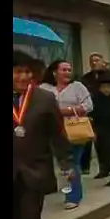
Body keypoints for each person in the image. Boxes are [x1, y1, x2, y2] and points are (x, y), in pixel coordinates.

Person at [13, 50, 74, 219]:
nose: (23, 76)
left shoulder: (45, 99)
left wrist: (67, 163)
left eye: (27, 72)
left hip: (34, 170)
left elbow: (58, 135)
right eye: (18, 72)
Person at [39, 59, 93, 210]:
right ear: (55, 72)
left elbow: (88, 106)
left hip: (75, 130)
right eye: (64, 70)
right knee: (61, 165)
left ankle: (73, 196)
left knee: (72, 163)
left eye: (69, 69)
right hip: (52, 132)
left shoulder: (77, 87)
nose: (67, 72)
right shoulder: (44, 88)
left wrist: (65, 111)